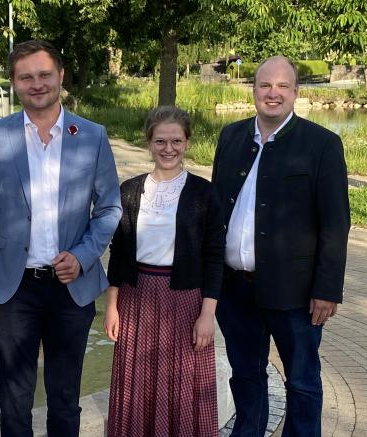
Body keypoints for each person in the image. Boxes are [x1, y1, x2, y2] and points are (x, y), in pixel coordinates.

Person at [0, 39, 122, 437]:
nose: (36, 84)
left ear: (60, 76)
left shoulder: (91, 136)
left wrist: (85, 255)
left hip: (70, 286)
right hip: (13, 287)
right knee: (14, 401)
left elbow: (109, 208)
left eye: (43, 75)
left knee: (65, 397)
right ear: (14, 82)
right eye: (26, 77)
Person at [211, 56, 351, 437]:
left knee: (302, 381)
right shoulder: (231, 137)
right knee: (245, 374)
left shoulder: (322, 145)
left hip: (296, 293)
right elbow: (217, 209)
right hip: (234, 289)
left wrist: (327, 289)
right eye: (264, 85)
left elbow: (335, 224)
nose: (273, 94)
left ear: (296, 92)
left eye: (282, 86)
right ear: (253, 90)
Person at [104, 106, 225, 437]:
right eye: (160, 141)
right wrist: (112, 306)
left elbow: (214, 257)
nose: (168, 148)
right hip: (136, 298)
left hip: (185, 299)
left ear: (187, 142)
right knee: (137, 383)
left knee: (182, 383)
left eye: (176, 140)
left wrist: (207, 314)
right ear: (148, 143)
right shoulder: (129, 190)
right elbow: (118, 251)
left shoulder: (204, 193)